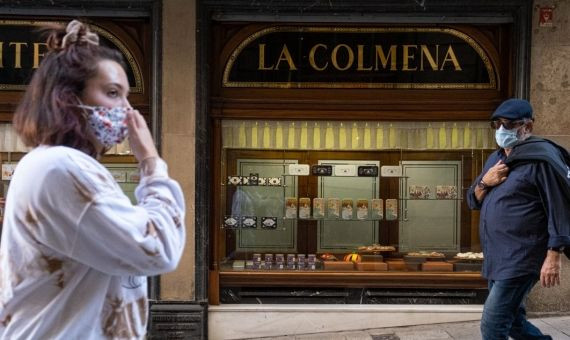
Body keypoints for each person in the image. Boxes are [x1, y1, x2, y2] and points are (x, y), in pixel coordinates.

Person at [0, 20, 185, 339]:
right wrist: (151, 164)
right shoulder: (61, 167)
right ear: (68, 97)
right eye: (113, 93)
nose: (127, 111)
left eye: (127, 96)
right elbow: (158, 248)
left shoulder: (57, 165)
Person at [467, 98, 570, 340]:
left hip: (522, 256)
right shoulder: (496, 159)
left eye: (509, 124)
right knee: (514, 323)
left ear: (528, 127)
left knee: (493, 326)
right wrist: (485, 182)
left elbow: (559, 206)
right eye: (497, 125)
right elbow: (473, 200)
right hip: (496, 256)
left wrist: (553, 255)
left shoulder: (542, 158)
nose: (502, 130)